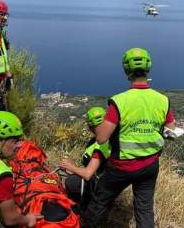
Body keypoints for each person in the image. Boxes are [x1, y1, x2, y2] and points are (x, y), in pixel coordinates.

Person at [83, 48, 175, 228]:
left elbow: (101, 138)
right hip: (149, 165)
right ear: (148, 69)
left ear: (126, 71)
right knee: (144, 209)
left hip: (121, 166)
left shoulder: (119, 101)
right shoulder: (163, 100)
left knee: (100, 202)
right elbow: (170, 132)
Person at [60, 107, 111, 210]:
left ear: (90, 126)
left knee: (72, 182)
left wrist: (70, 166)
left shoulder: (101, 144)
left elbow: (88, 174)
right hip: (98, 178)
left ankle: (80, 209)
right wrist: (73, 166)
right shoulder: (97, 141)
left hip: (99, 184)